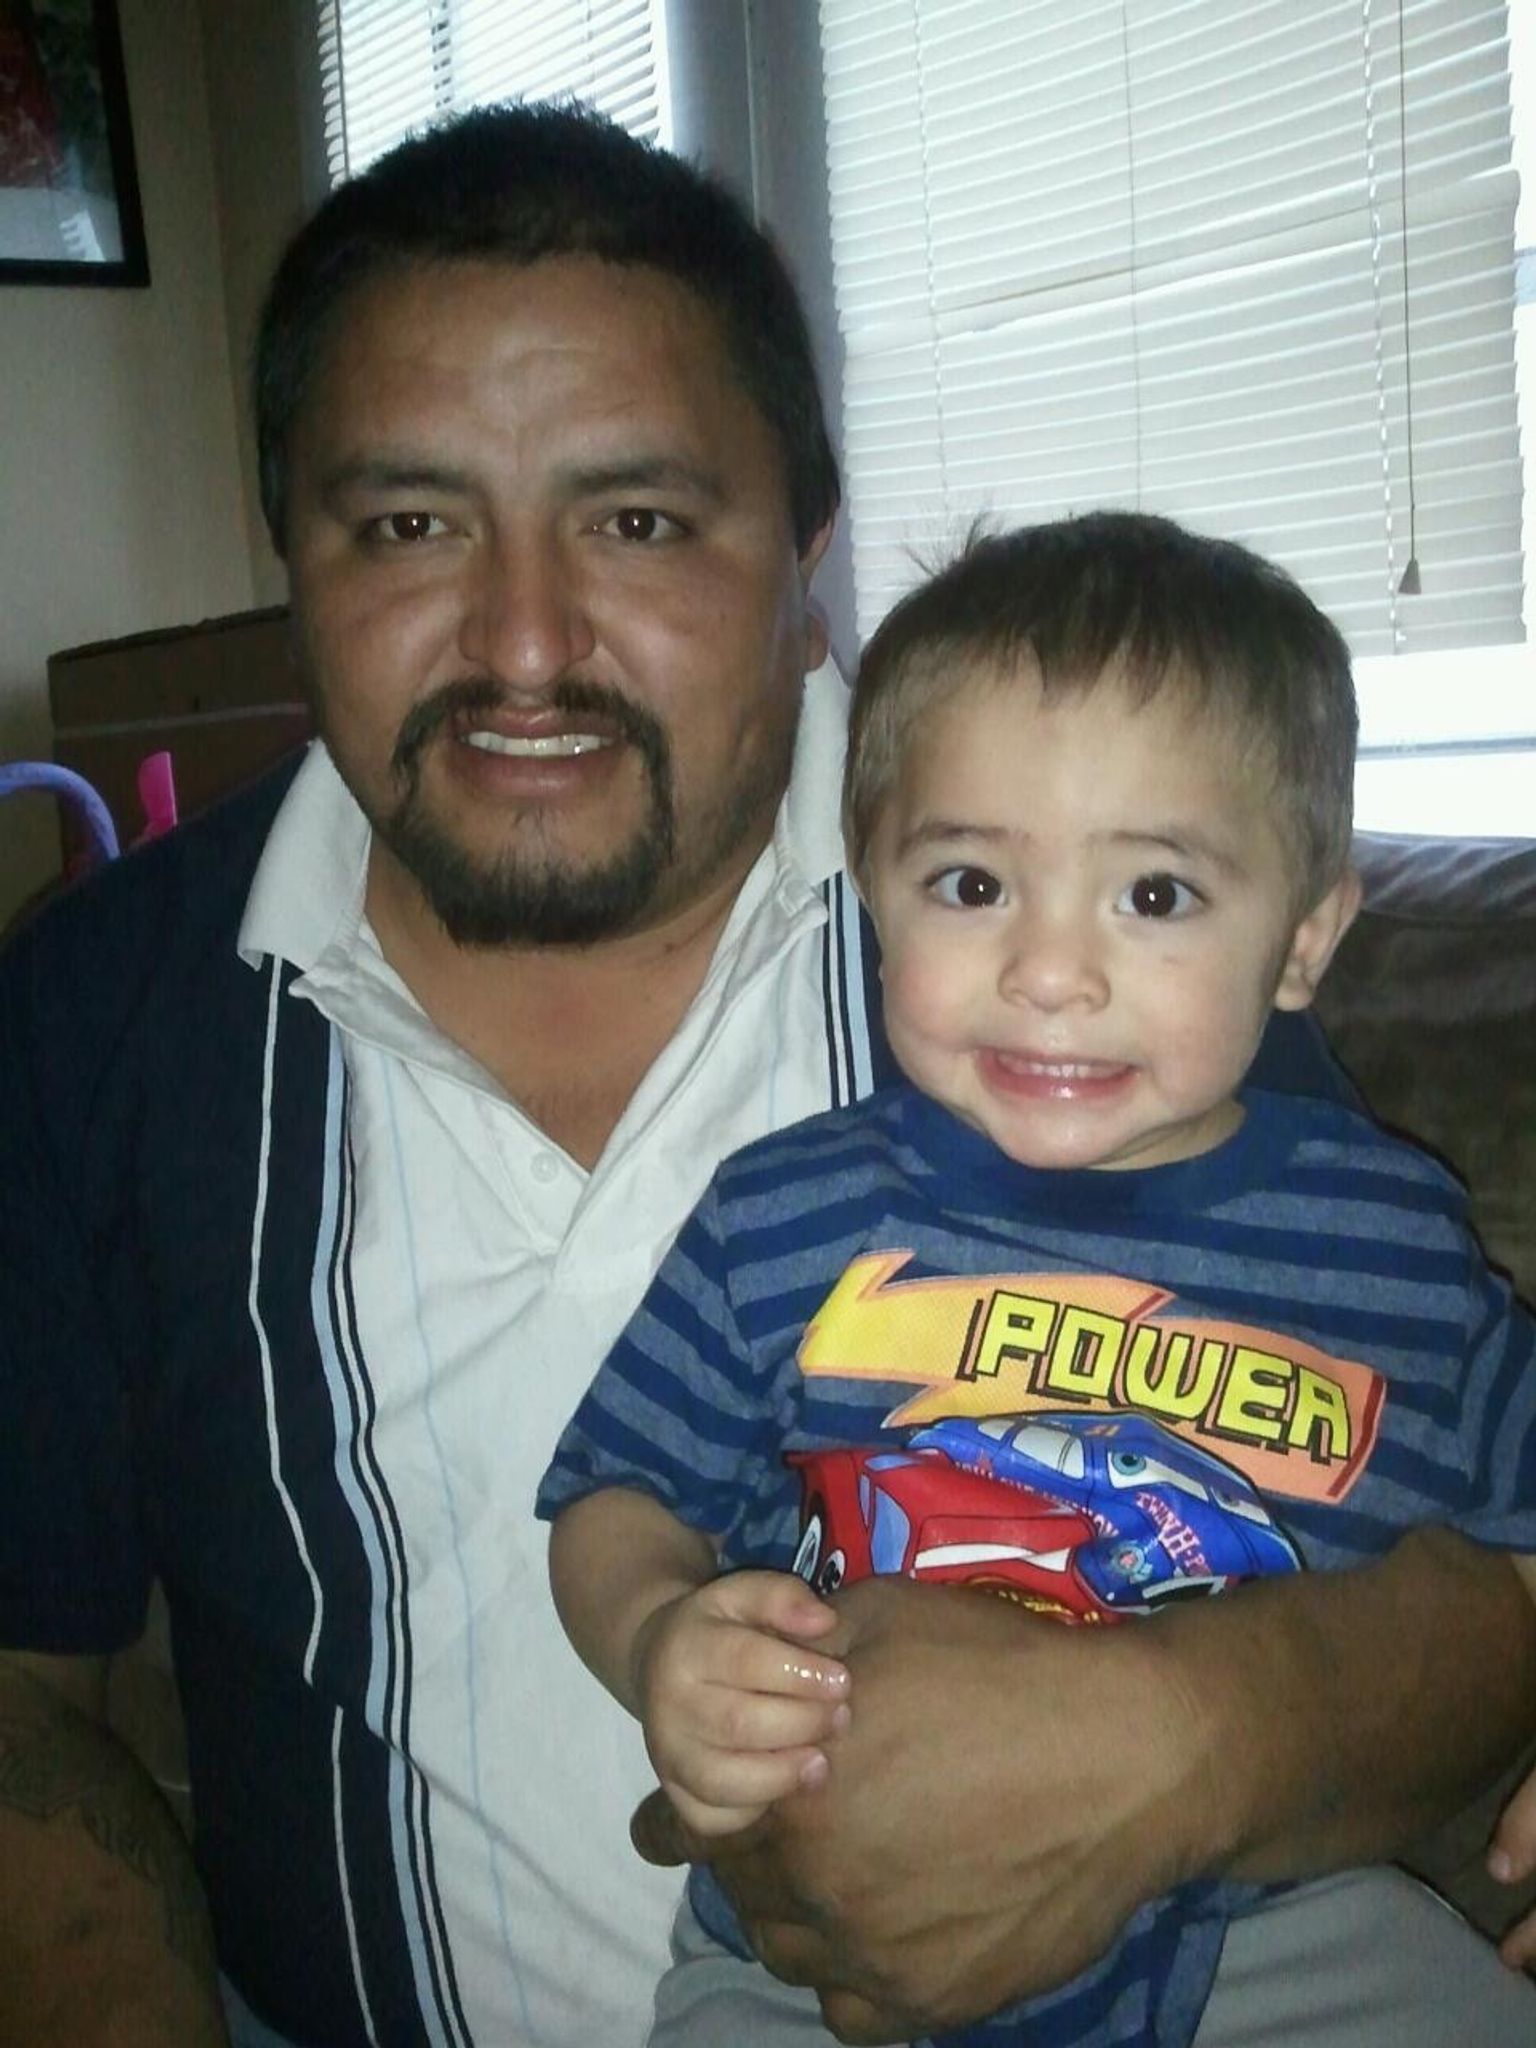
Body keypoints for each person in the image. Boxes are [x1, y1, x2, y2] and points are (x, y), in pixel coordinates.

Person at [0, 101, 1533, 2048]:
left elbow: (1432, 1494)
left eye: (639, 521)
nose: (526, 642)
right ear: (285, 551)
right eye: (405, 525)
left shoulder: (1091, 987)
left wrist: (1187, 1736)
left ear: (805, 551)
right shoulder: (94, 1016)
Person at [537, 511, 1536, 2046]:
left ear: (1303, 938)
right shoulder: (782, 1218)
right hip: (822, 1945)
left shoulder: (1395, 1237)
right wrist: (664, 1637)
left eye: (1156, 897)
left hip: (1276, 1928)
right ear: (872, 888)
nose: (1051, 972)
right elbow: (614, 1499)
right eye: (969, 885)